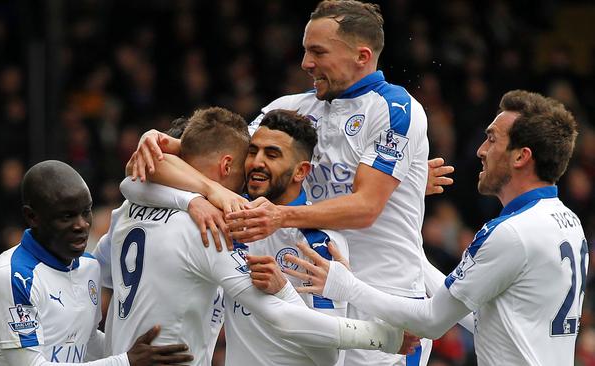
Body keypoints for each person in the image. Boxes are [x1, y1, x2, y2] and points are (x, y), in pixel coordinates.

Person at [130, 2, 451, 365]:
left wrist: (280, 216)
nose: (305, 63)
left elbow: (366, 208)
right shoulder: (288, 111)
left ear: (361, 56)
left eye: (317, 51)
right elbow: (179, 158)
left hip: (381, 299)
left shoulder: (395, 109)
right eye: (304, 50)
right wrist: (191, 177)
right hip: (306, 291)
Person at [282, 90, 586, 365]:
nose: (481, 150)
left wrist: (345, 286)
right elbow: (487, 317)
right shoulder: (567, 222)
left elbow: (431, 321)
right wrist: (401, 201)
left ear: (521, 156)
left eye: (492, 139)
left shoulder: (510, 233)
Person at [95, 107, 413, 366]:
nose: (254, 165)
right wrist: (386, 337)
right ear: (227, 164)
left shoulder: (131, 207)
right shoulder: (213, 225)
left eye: (271, 154)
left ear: (301, 170)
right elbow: (283, 317)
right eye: (252, 153)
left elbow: (328, 358)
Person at [0, 160, 193, 366]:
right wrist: (125, 361)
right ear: (32, 217)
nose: (81, 225)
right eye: (66, 216)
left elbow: (85, 340)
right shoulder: (13, 277)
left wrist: (140, 352)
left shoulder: (90, 267)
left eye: (86, 211)